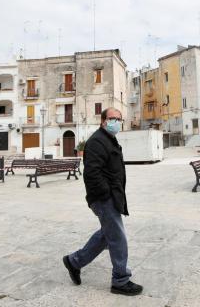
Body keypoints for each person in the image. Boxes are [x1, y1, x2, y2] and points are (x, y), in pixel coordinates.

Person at [62, 107, 143, 296]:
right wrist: (106, 195)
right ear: (103, 120)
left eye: (119, 119)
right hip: (103, 198)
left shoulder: (109, 140)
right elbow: (92, 174)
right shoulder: (97, 141)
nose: (117, 122)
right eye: (113, 118)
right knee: (118, 238)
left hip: (112, 197)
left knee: (107, 235)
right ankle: (120, 281)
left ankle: (74, 262)